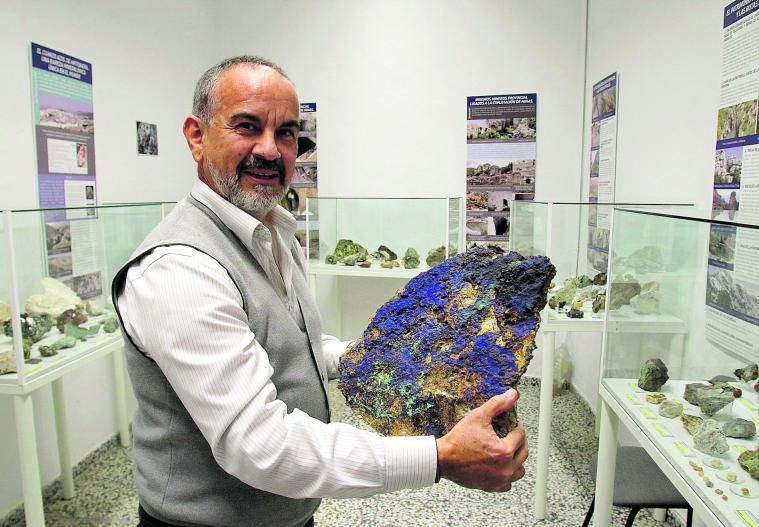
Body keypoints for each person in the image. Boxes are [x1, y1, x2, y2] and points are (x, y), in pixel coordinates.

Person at [111, 56, 528, 527]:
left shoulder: (273, 233)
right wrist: (438, 457)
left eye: (286, 133)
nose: (270, 150)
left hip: (290, 512)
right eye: (247, 126)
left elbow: (294, 347)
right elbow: (261, 445)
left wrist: (381, 359)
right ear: (196, 135)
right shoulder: (179, 270)